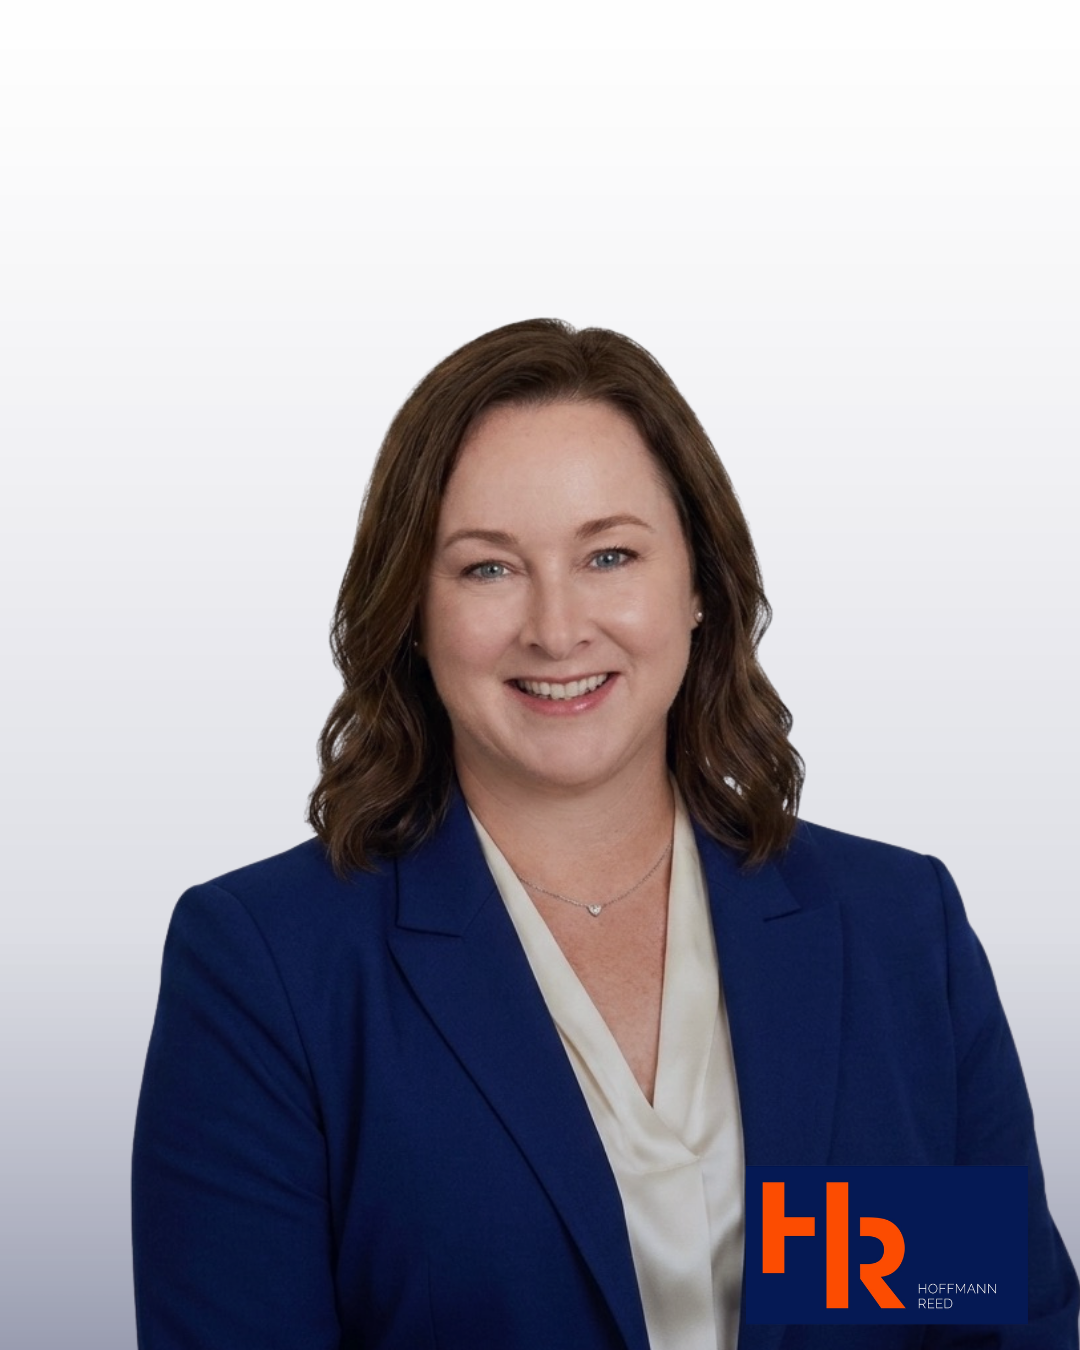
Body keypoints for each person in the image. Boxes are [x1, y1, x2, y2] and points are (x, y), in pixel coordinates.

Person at [132, 318, 1078, 1349]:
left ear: (701, 587)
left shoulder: (894, 934)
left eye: (610, 555)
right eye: (487, 569)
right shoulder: (272, 967)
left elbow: (997, 1324)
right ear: (412, 609)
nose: (556, 626)